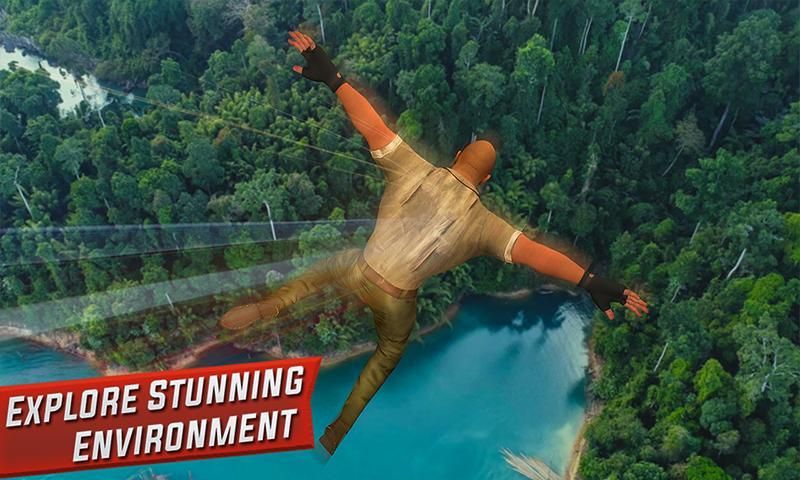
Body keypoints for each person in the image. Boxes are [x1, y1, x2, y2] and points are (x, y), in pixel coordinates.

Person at [219, 29, 650, 456]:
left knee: (320, 274)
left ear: (459, 155)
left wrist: (332, 76)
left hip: (362, 266)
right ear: (486, 179)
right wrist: (592, 281)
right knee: (385, 358)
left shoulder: (411, 166)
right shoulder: (487, 226)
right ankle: (339, 427)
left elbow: (369, 122)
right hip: (396, 298)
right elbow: (538, 256)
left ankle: (274, 304)